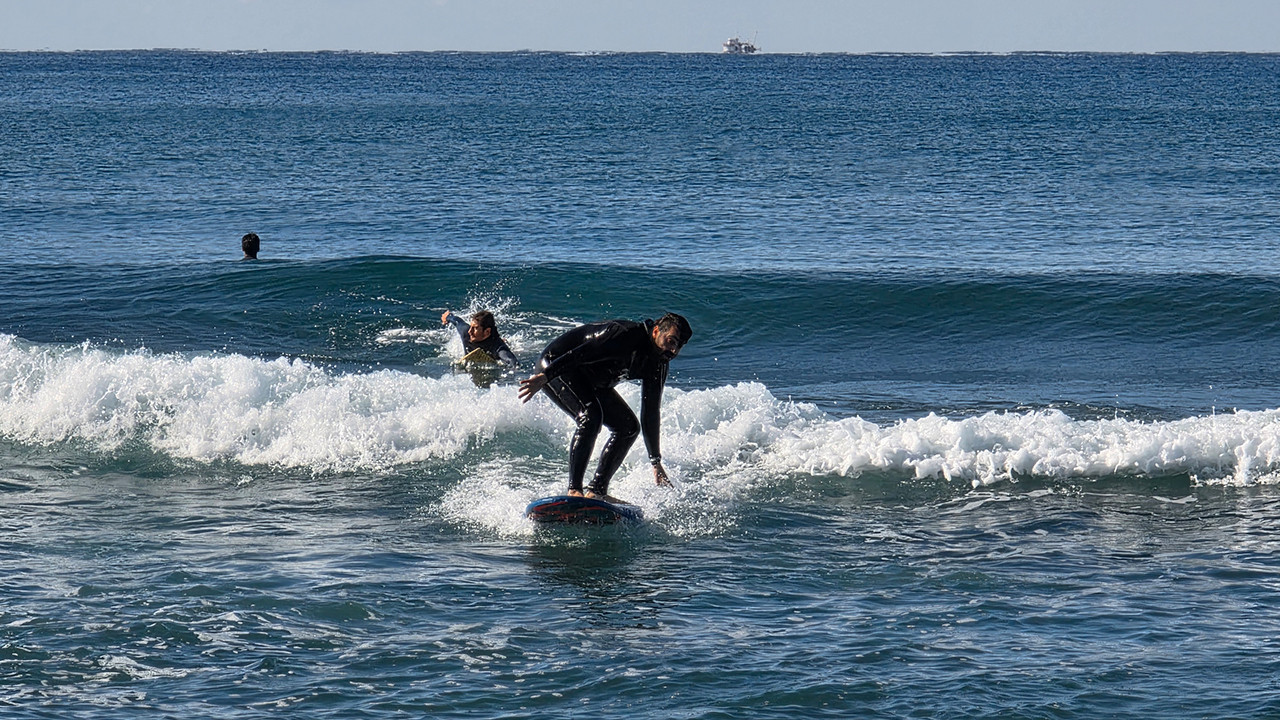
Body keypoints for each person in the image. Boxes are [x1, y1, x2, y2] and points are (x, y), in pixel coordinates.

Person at [518, 312, 692, 502]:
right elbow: (580, 354)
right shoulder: (625, 335)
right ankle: (574, 490)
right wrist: (545, 376)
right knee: (590, 417)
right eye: (671, 341)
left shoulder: (658, 364)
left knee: (628, 428)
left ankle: (597, 491)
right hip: (558, 364)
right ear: (656, 331)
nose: (674, 351)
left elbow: (651, 411)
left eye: (679, 346)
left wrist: (655, 462)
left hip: (591, 381)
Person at [441, 309, 519, 366]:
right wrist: (448, 317)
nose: (470, 331)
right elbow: (457, 321)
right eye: (471, 327)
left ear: (487, 331)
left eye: (475, 328)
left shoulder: (497, 346)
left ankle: (505, 341)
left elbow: (512, 361)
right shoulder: (466, 333)